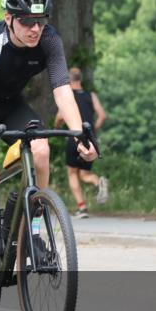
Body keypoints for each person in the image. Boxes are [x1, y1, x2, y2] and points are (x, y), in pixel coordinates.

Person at [0, 0, 97, 301]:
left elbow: (63, 92)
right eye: (27, 22)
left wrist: (79, 136)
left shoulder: (49, 40)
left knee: (41, 149)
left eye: (41, 20)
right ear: (9, 19)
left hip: (12, 106)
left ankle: (32, 236)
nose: (35, 29)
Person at [54, 67, 109, 218]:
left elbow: (59, 118)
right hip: (89, 138)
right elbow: (102, 115)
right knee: (85, 174)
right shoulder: (91, 95)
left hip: (74, 136)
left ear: (68, 80)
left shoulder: (68, 96)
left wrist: (57, 127)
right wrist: (93, 131)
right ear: (80, 79)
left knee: (72, 173)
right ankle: (98, 182)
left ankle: (82, 208)